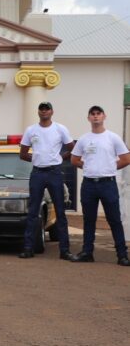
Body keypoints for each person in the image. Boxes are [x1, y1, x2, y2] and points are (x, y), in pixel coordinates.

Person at [69, 105, 130, 266]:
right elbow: (74, 160)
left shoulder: (112, 137)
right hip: (89, 184)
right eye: (92, 114)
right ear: (88, 118)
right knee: (89, 220)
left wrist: (109, 168)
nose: (96, 116)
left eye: (98, 114)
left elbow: (125, 158)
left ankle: (122, 255)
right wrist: (89, 168)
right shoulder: (84, 139)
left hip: (107, 184)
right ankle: (87, 252)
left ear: (104, 116)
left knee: (114, 220)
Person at [18, 101, 75, 260]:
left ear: (52, 111)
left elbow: (73, 149)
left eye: (47, 109)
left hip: (54, 173)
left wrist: (59, 158)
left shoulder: (60, 129)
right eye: (41, 109)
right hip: (37, 173)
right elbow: (22, 154)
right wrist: (36, 158)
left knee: (60, 212)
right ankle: (28, 248)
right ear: (38, 112)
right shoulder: (31, 130)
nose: (44, 112)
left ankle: (65, 251)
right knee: (33, 211)